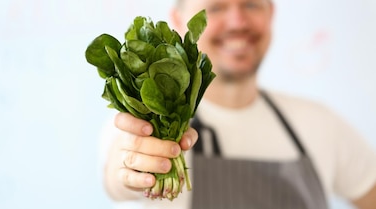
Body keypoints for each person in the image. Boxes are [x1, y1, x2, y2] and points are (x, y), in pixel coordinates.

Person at [99, 0, 376, 208]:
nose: (237, 21)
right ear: (178, 21)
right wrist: (134, 166)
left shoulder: (319, 123)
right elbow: (120, 171)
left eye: (252, 4)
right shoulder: (142, 124)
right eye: (217, 7)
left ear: (271, 13)